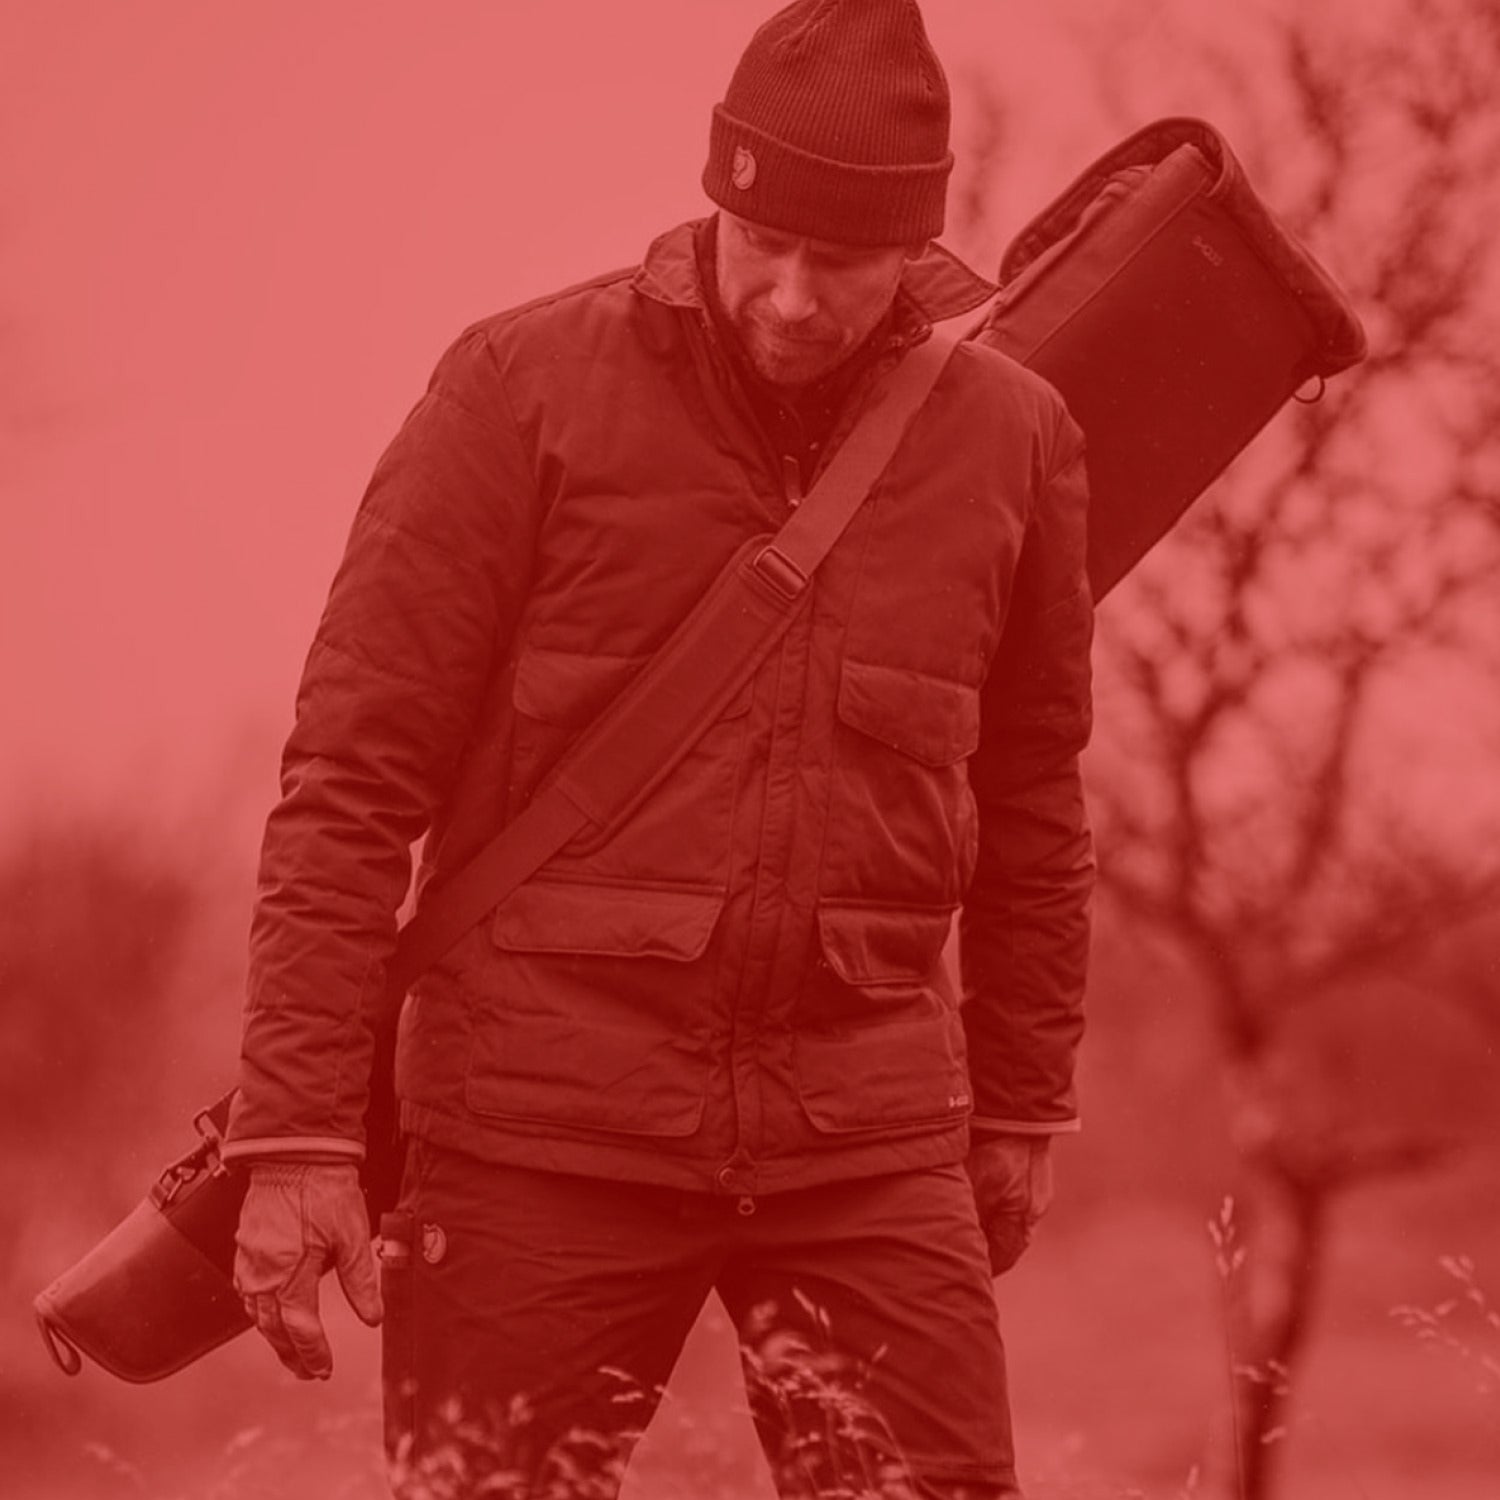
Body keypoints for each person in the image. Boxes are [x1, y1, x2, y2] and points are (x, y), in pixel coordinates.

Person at [225, 1, 1094, 1496]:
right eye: (769, 245)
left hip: (866, 1139)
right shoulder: (516, 391)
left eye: (847, 259)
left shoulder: (1015, 440)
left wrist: (1021, 1097)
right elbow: (350, 778)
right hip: (532, 1133)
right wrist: (298, 1128)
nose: (798, 299)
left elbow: (1030, 802)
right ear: (715, 200)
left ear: (921, 252)